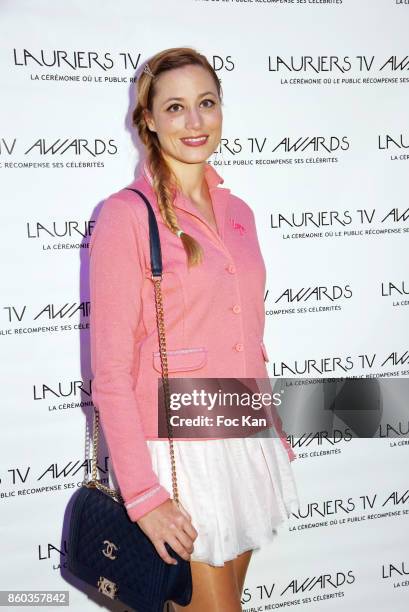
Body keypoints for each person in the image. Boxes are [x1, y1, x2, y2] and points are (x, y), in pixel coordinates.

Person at [89, 47, 300, 612]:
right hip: (178, 453)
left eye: (206, 103)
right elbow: (109, 370)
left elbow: (247, 333)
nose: (195, 121)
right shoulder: (126, 215)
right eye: (175, 107)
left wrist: (270, 427)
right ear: (149, 121)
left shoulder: (240, 212)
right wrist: (141, 493)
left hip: (244, 434)